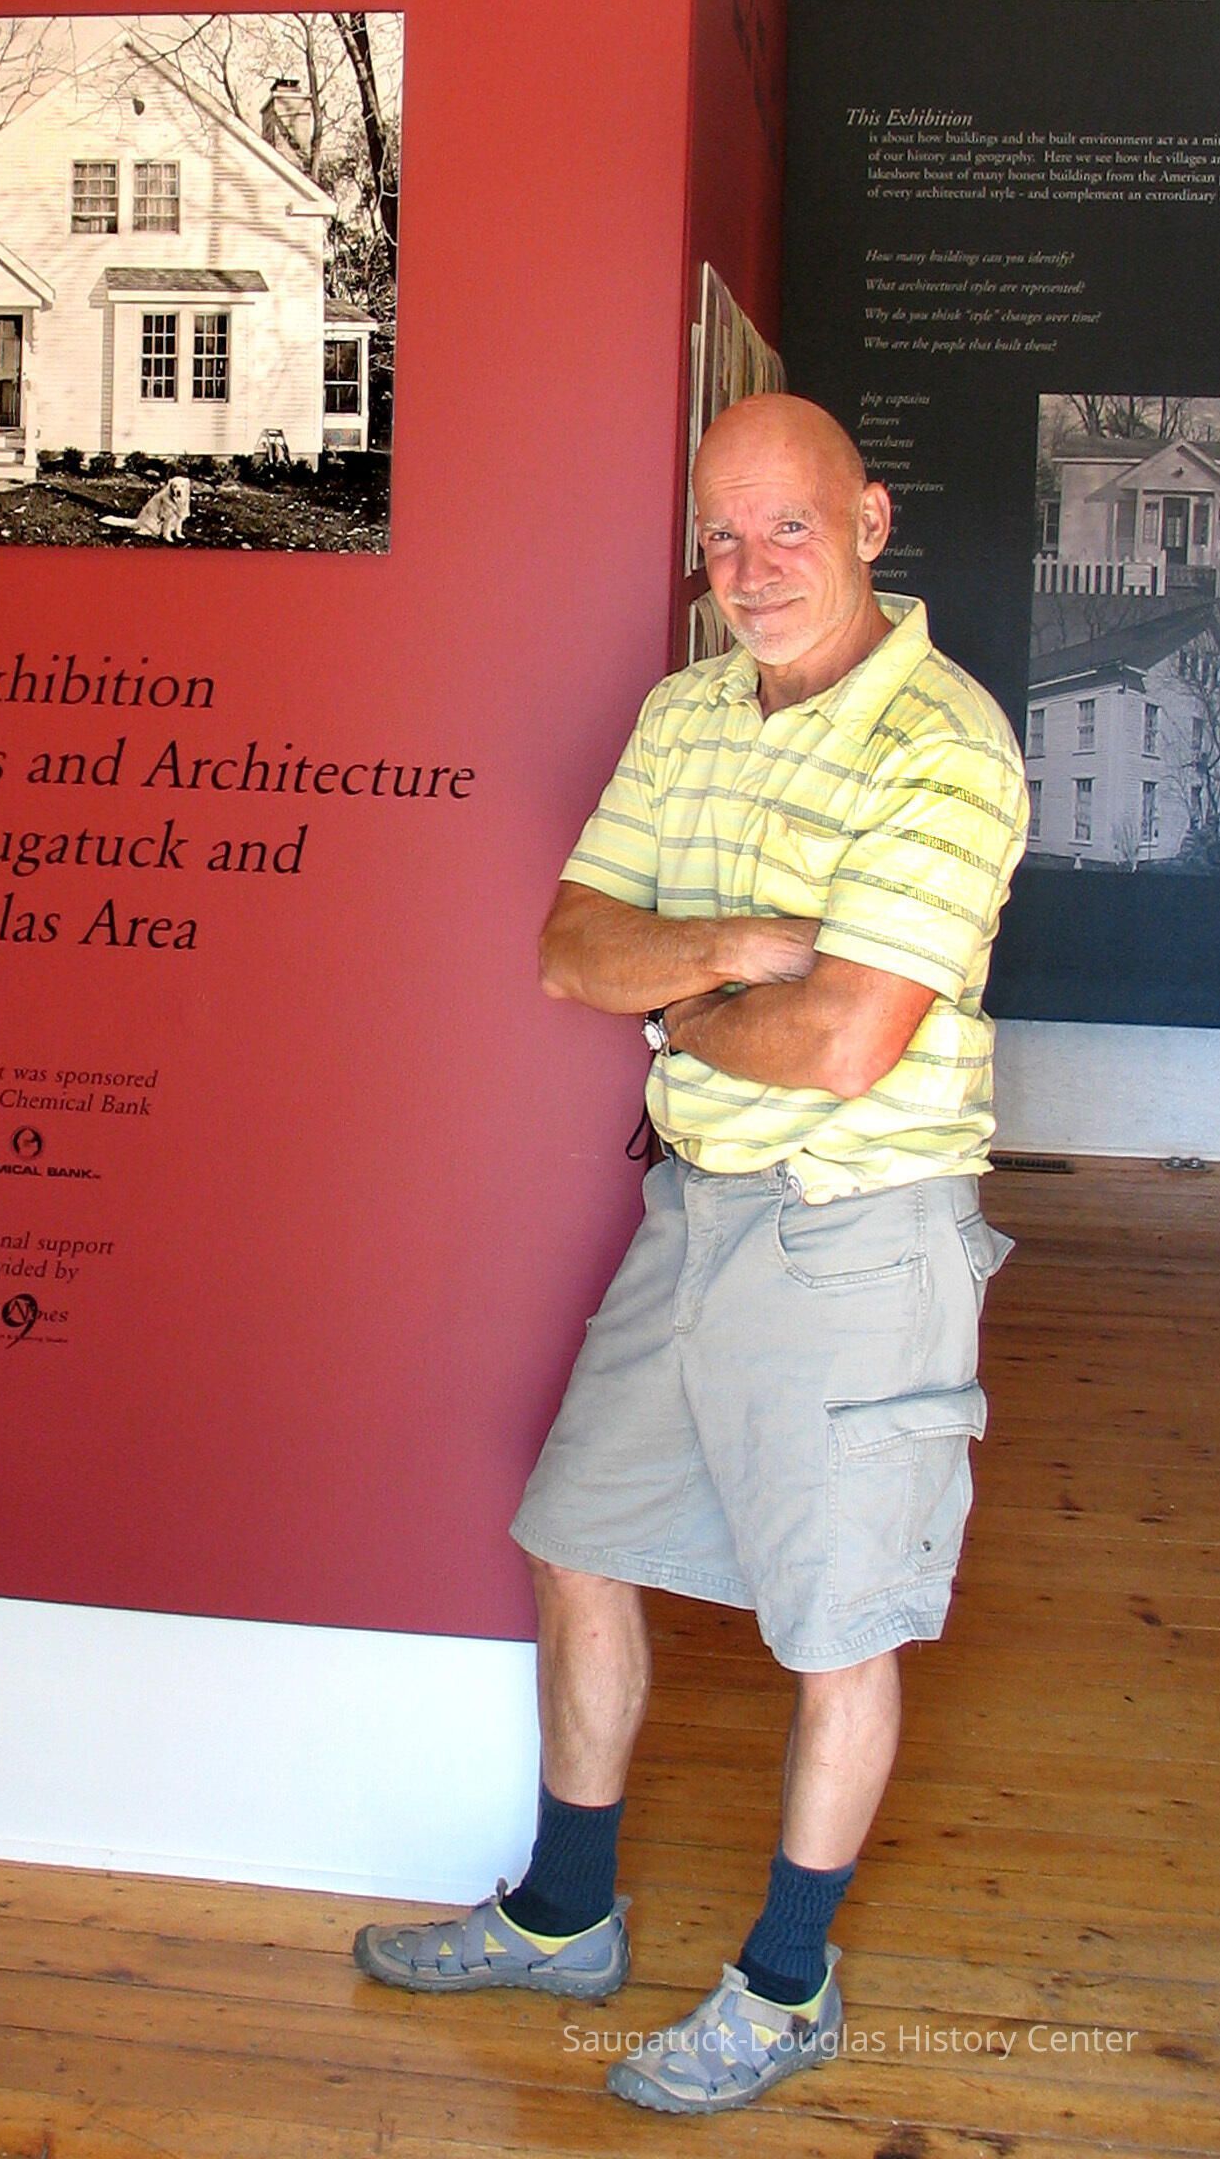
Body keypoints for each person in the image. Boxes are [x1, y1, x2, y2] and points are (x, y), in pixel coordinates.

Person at [355, 392, 1029, 2117]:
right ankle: (563, 1913)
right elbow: (570, 949)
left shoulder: (942, 748)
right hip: (695, 1214)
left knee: (835, 1627)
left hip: (856, 1238)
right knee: (574, 1538)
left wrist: (687, 1013)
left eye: (786, 526)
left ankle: (785, 1981)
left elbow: (844, 1048)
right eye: (721, 536)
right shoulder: (685, 709)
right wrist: (731, 955)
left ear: (870, 522)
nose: (749, 567)